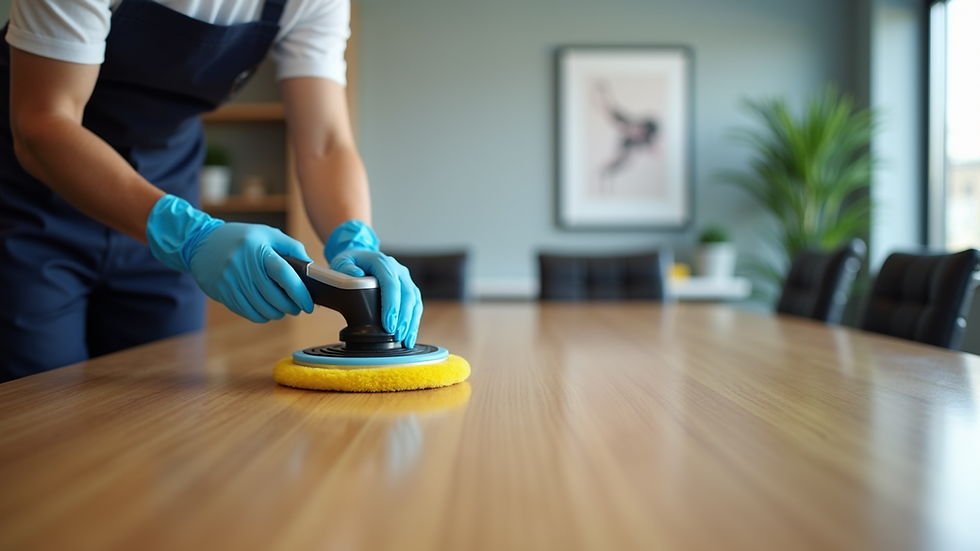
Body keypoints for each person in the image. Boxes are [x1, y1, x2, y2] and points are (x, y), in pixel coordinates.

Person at [0, 0, 422, 383]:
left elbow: (326, 143)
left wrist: (353, 237)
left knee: (162, 404)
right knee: (38, 400)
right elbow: (43, 123)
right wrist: (188, 234)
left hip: (167, 183)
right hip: (33, 198)